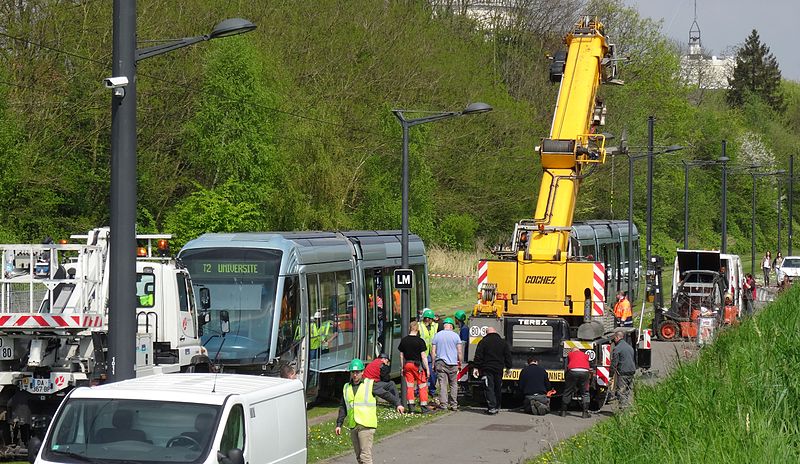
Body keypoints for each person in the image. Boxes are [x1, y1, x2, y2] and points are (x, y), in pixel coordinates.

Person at [335, 359, 404, 464]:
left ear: (362, 372)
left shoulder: (369, 384)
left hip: (366, 425)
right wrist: (339, 424)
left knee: (365, 456)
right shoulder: (346, 387)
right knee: (359, 457)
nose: (355, 375)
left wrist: (397, 403)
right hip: (354, 425)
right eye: (353, 372)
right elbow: (343, 406)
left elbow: (385, 394)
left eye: (357, 372)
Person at [472, 327, 512, 415]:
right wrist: (508, 367)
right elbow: (508, 355)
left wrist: (476, 367)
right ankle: (497, 406)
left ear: (487, 333)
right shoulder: (503, 342)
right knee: (498, 387)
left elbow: (478, 355)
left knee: (489, 387)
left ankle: (492, 407)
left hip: (487, 369)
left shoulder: (483, 342)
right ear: (496, 332)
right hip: (499, 369)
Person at [397, 321, 431, 414]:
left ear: (410, 328)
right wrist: (427, 368)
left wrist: (402, 367)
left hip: (407, 365)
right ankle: (424, 407)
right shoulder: (420, 341)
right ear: (417, 329)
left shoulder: (404, 340)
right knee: (422, 385)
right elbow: (423, 356)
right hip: (417, 366)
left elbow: (401, 355)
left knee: (410, 386)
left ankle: (411, 407)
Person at [431, 317, 463, 411]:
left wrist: (433, 363)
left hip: (440, 362)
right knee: (453, 384)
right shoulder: (456, 336)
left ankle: (444, 405)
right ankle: (454, 405)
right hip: (453, 363)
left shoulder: (437, 335)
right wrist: (460, 363)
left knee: (443, 384)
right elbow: (459, 352)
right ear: (451, 326)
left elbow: (433, 352)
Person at [560, 347, 591, 418]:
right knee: (585, 392)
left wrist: (566, 377)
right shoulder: (585, 355)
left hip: (572, 371)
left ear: (572, 351)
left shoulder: (570, 354)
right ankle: (585, 413)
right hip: (585, 372)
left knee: (567, 391)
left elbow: (566, 367)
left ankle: (563, 412)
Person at [610, 331, 636, 408]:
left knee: (620, 391)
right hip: (631, 371)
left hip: (623, 371)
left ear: (617, 337)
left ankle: (623, 408)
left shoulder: (617, 348)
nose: (614, 340)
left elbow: (614, 363)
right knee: (627, 389)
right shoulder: (629, 347)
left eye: (614, 338)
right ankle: (627, 405)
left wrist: (610, 374)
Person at [418, 308, 440, 398]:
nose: (428, 320)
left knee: (432, 373)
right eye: (427, 318)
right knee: (421, 372)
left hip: (432, 353)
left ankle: (432, 389)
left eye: (429, 319)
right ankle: (420, 390)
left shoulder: (435, 326)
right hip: (422, 353)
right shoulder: (420, 326)